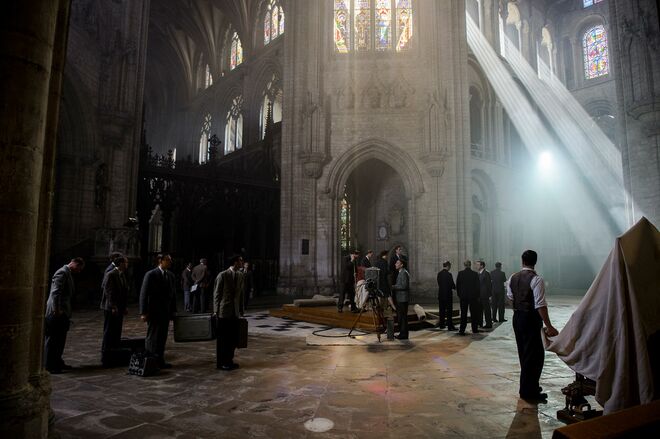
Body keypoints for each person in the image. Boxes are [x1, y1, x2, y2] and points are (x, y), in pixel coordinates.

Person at [507, 250, 558, 402]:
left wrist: (518, 312)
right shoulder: (537, 279)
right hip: (530, 319)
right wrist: (549, 326)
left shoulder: (512, 277)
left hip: (517, 317)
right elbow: (540, 305)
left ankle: (530, 387)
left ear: (522, 261)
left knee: (524, 353)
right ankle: (528, 392)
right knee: (535, 356)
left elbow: (510, 298)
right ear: (535, 262)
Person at [44, 257, 85, 373]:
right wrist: (57, 309)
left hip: (63, 312)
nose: (79, 271)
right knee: (53, 340)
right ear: (75, 263)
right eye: (79, 268)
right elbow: (56, 293)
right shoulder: (62, 272)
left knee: (60, 339)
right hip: (57, 312)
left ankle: (57, 361)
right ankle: (50, 366)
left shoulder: (68, 273)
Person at [139, 253, 177, 368]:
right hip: (154, 311)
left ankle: (160, 361)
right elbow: (144, 294)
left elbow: (173, 295)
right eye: (168, 260)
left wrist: (173, 310)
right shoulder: (151, 274)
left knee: (162, 337)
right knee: (152, 337)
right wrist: (143, 312)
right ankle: (150, 361)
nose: (170, 262)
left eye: (170, 260)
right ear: (160, 261)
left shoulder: (170, 275)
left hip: (165, 312)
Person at [213, 255, 244, 371]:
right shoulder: (223, 275)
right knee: (223, 339)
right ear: (235, 262)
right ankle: (221, 363)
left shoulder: (240, 275)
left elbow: (240, 294)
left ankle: (229, 361)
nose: (242, 263)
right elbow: (217, 294)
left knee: (232, 338)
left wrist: (241, 310)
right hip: (224, 311)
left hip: (235, 312)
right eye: (240, 261)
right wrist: (215, 311)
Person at [100, 255, 129, 367]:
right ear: (120, 263)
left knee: (117, 330)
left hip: (119, 308)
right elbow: (109, 292)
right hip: (111, 308)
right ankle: (106, 356)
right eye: (126, 262)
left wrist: (124, 307)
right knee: (109, 331)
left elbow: (124, 292)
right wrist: (113, 306)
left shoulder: (122, 274)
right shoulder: (111, 274)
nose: (127, 264)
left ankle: (115, 354)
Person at [456, 260, 480, 335]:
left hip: (463, 297)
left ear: (464, 265)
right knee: (474, 313)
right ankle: (474, 329)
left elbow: (458, 285)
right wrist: (477, 296)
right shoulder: (475, 274)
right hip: (473, 297)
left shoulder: (460, 273)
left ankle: (462, 329)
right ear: (470, 265)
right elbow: (478, 286)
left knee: (463, 313)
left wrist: (459, 295)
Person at [391, 259, 410, 340]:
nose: (395, 264)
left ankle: (403, 335)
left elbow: (404, 286)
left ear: (401, 265)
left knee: (402, 317)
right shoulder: (401, 272)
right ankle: (402, 333)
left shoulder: (404, 273)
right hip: (400, 298)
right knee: (401, 317)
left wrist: (393, 287)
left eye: (397, 263)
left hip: (403, 299)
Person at [436, 261, 457, 330]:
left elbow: (439, 283)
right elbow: (452, 285)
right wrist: (456, 287)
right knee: (449, 312)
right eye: (450, 266)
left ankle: (442, 325)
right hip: (448, 296)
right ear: (448, 266)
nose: (450, 268)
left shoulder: (439, 274)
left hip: (441, 295)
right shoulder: (449, 274)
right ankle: (450, 326)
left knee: (441, 311)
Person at [477, 260, 493, 329]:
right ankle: (480, 323)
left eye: (478, 265)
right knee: (479, 310)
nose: (476, 266)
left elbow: (489, 285)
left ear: (482, 266)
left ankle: (488, 324)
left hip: (485, 295)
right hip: (479, 295)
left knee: (487, 310)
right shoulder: (478, 273)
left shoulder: (486, 273)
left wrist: (490, 295)